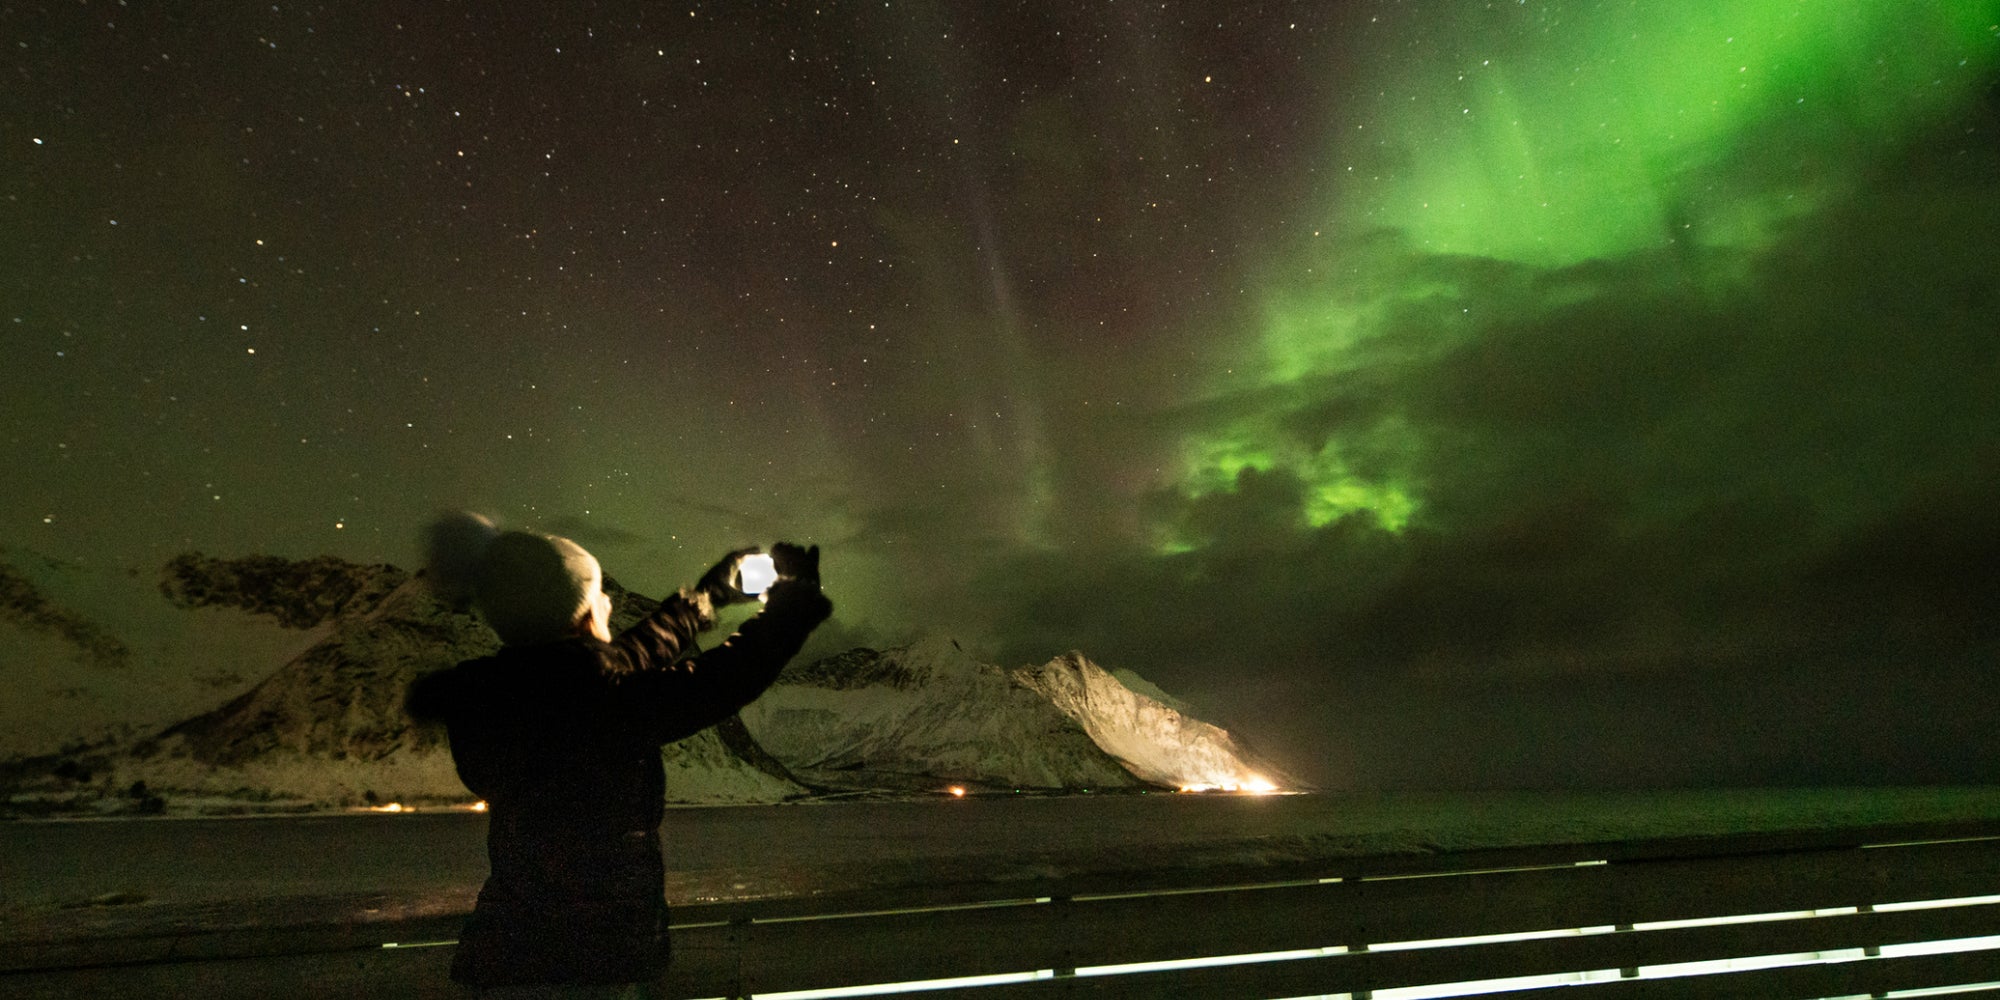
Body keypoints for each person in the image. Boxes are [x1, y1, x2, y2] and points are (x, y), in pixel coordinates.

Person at [406, 512, 831, 997]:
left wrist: (706, 599)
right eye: (598, 596)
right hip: (591, 957)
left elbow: (607, 665)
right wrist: (793, 607)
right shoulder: (600, 703)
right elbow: (727, 677)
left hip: (507, 946)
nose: (608, 601)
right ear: (584, 617)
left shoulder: (498, 694)